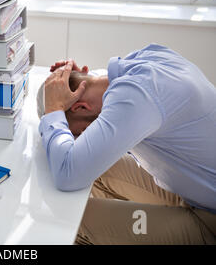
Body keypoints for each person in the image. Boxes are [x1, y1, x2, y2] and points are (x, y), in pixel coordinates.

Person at [37, 43, 216, 244]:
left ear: (80, 106)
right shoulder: (147, 59)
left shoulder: (135, 97)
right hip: (191, 191)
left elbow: (66, 175)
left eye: (78, 132)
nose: (82, 134)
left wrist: (54, 110)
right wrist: (77, 81)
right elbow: (110, 92)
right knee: (92, 168)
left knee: (70, 220)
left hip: (209, 220)